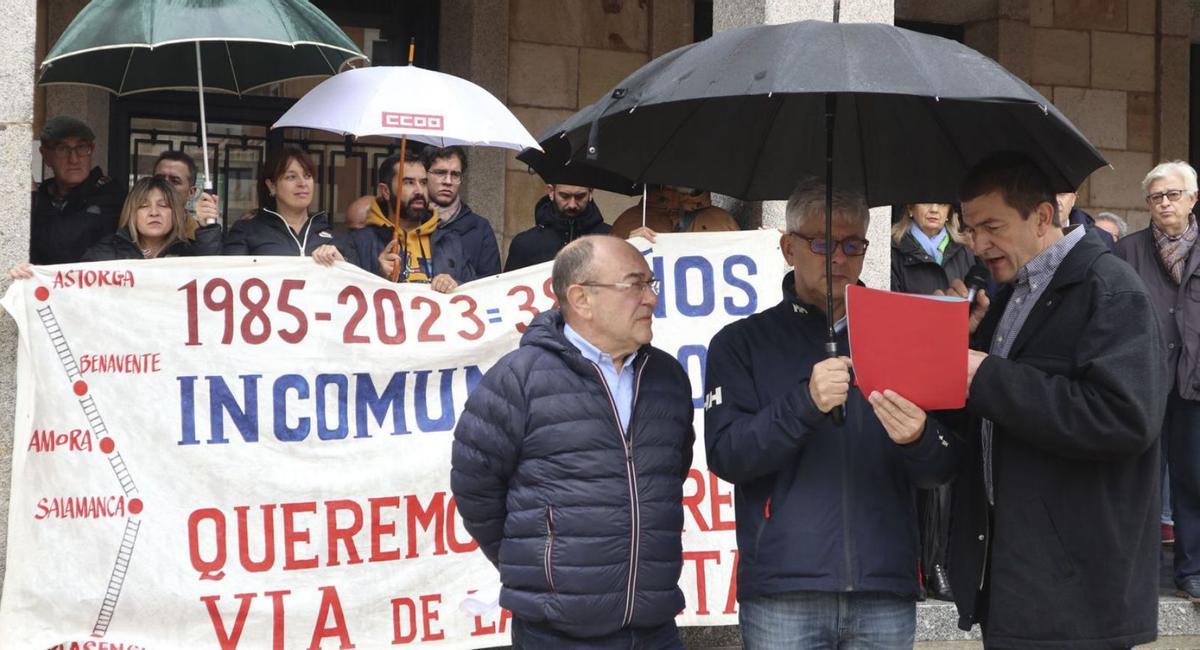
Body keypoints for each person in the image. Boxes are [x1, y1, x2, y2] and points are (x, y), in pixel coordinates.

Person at [704, 179, 956, 649]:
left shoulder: (905, 333)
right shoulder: (740, 343)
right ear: (788, 247)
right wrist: (805, 403)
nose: (838, 257)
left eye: (852, 244)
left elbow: (941, 469)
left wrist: (918, 437)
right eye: (822, 243)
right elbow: (727, 455)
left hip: (885, 585)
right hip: (785, 590)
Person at [942, 152, 1167, 647]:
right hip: (1016, 582)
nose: (978, 244)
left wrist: (985, 373)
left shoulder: (1109, 288)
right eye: (970, 229)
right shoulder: (1009, 294)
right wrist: (957, 349)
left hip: (1079, 595)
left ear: (1042, 216)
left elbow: (1123, 419)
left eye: (991, 227)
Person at [451, 236, 694, 648]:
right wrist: (541, 567)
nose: (651, 299)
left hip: (655, 627)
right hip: (557, 632)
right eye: (635, 284)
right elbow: (476, 488)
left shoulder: (667, 378)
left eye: (651, 284)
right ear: (581, 298)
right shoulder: (520, 378)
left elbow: (671, 472)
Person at [1114, 160, 1200, 598]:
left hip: (1195, 384)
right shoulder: (1126, 252)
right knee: (1141, 479)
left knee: (1194, 479)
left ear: (1192, 199)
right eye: (1156, 197)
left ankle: (1192, 570)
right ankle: (1140, 572)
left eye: (1172, 195)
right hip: (1143, 382)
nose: (1164, 203)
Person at [352, 151, 474, 293]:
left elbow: (475, 291)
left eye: (423, 182)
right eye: (409, 182)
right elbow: (345, 296)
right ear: (385, 191)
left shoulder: (450, 241)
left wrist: (454, 285)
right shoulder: (360, 242)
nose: (419, 191)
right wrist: (379, 276)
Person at [221, 146, 351, 266]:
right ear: (271, 186)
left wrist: (342, 265)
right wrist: (207, 229)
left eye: (307, 176)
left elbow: (359, 284)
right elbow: (224, 279)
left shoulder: (335, 238)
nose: (302, 183)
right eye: (291, 177)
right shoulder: (247, 231)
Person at [30, 115, 125, 265]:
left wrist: (35, 198)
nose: (74, 159)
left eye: (82, 147)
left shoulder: (110, 195)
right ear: (45, 156)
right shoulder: (41, 195)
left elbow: (62, 249)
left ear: (92, 150)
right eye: (62, 148)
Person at [81, 176, 221, 261]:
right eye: (143, 206)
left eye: (163, 205)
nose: (154, 212)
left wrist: (207, 229)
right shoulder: (104, 253)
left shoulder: (189, 255)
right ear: (132, 213)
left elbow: (210, 279)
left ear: (175, 213)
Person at [422, 146, 502, 276]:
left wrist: (455, 286)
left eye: (455, 174)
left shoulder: (480, 228)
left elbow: (491, 284)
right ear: (425, 175)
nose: (448, 181)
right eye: (440, 173)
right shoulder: (411, 221)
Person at [504, 184, 609, 272]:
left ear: (591, 193)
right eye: (564, 196)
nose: (572, 205)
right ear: (551, 191)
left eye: (580, 196)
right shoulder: (525, 244)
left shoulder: (611, 239)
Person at [609, 185, 739, 238]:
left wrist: (758, 247)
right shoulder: (629, 220)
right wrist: (630, 250)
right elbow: (609, 283)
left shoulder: (722, 221)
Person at [152, 150, 220, 228]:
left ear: (191, 192)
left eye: (175, 181)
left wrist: (208, 230)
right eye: (159, 179)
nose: (165, 185)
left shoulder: (200, 235)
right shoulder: (136, 228)